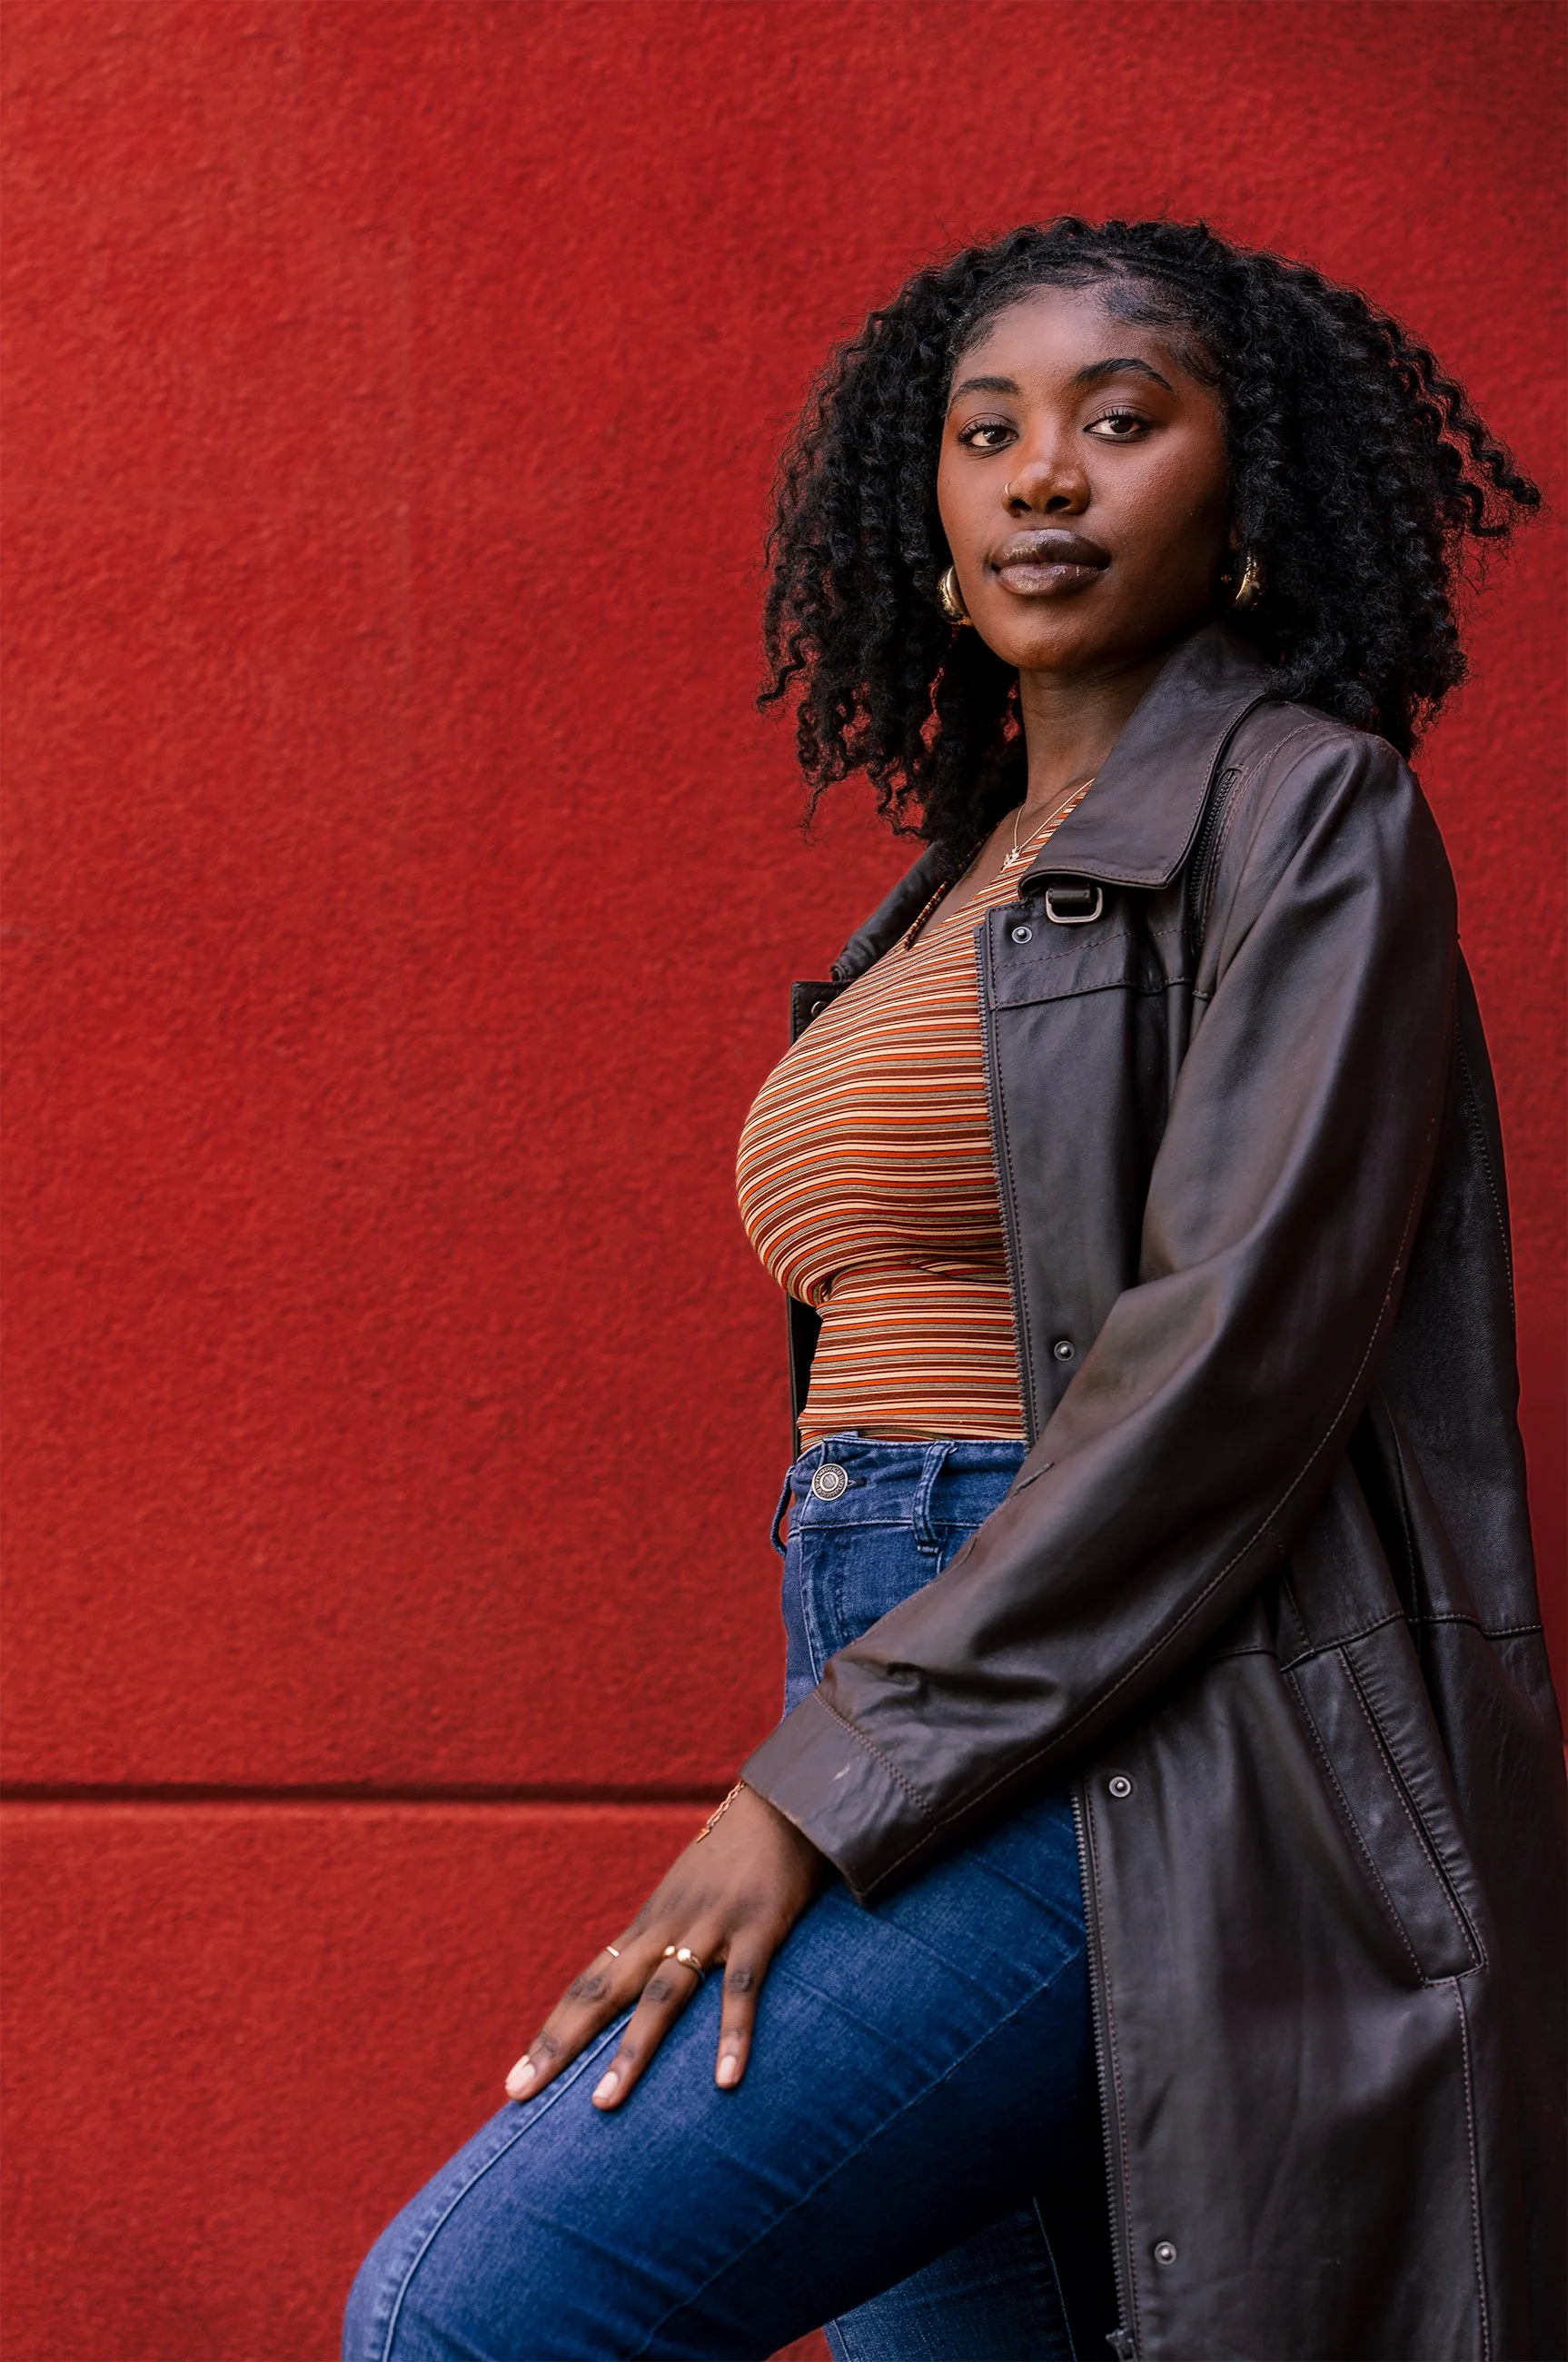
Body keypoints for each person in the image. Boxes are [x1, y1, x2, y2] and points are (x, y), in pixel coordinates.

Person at [344, 218, 1564, 2362]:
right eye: (984, 432)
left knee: (483, 2302)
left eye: (1118, 420)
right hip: (916, 1664)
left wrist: (811, 1785)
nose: (1040, 478)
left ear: (1242, 491)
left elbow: (1224, 1373)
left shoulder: (1302, 814)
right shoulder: (955, 886)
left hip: (1149, 1728)